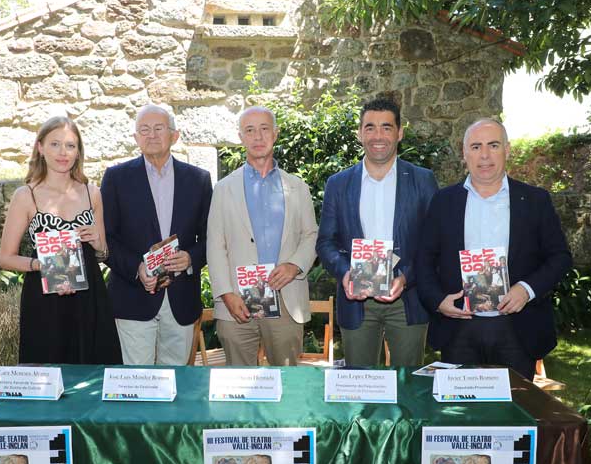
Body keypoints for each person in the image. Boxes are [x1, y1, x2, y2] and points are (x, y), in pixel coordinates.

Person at [416, 118, 572, 380]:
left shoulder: (535, 201)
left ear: (507, 150)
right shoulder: (444, 202)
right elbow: (423, 259)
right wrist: (438, 300)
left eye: (493, 145)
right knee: (460, 415)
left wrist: (526, 290)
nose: (485, 155)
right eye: (476, 147)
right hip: (459, 328)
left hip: (518, 328)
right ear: (464, 154)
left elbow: (560, 257)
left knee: (515, 412)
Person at [316, 98, 438, 366]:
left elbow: (434, 244)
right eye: (370, 127)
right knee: (361, 386)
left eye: (386, 127)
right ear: (360, 133)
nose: (378, 135)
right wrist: (345, 273)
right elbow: (325, 242)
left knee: (407, 386)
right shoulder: (338, 184)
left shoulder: (422, 180)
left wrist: (405, 278)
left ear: (399, 132)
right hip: (356, 300)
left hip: (407, 298)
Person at [0, 116, 122, 365]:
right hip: (45, 299)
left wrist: (98, 243)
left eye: (70, 145)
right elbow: (6, 258)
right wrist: (42, 265)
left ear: (78, 152)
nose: (62, 152)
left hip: (89, 299)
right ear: (40, 148)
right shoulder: (26, 196)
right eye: (55, 144)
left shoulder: (92, 193)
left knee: (95, 373)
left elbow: (102, 253)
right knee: (47, 374)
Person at [101, 104, 213, 365]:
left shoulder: (198, 179)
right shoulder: (116, 178)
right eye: (144, 130)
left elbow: (212, 238)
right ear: (136, 138)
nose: (151, 135)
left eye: (158, 128)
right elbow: (106, 238)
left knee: (177, 385)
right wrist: (136, 268)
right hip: (133, 298)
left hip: (181, 300)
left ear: (174, 135)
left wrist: (191, 258)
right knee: (136, 386)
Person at [207, 106, 318, 366]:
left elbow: (311, 235)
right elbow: (215, 245)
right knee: (238, 387)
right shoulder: (223, 189)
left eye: (264, 129)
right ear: (241, 137)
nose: (258, 137)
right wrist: (225, 293)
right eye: (250, 130)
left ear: (276, 134)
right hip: (236, 302)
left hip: (285, 297)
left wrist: (294, 265)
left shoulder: (298, 188)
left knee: (287, 384)